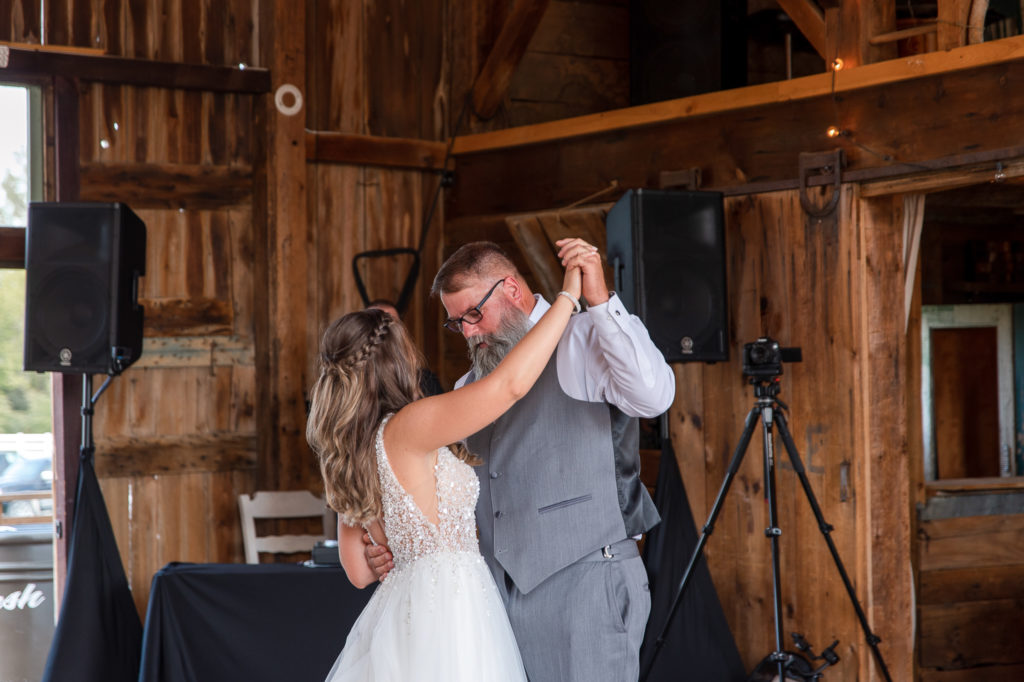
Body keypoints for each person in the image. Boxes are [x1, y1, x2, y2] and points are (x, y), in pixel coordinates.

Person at [365, 238, 676, 681]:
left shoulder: (586, 336)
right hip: (492, 602)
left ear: (511, 289)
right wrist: (393, 544)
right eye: (458, 323)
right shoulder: (465, 389)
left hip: (586, 581)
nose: (469, 332)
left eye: (474, 314)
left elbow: (654, 396)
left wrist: (600, 305)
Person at [306, 257, 585, 681]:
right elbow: (507, 386)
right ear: (397, 362)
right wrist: (566, 299)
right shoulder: (410, 426)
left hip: (400, 614)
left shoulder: (349, 451)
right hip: (452, 612)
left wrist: (386, 551)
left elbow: (359, 572)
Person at [366, 298, 444, 396]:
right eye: (375, 326)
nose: (385, 333)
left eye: (392, 325)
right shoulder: (351, 382)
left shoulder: (425, 381)